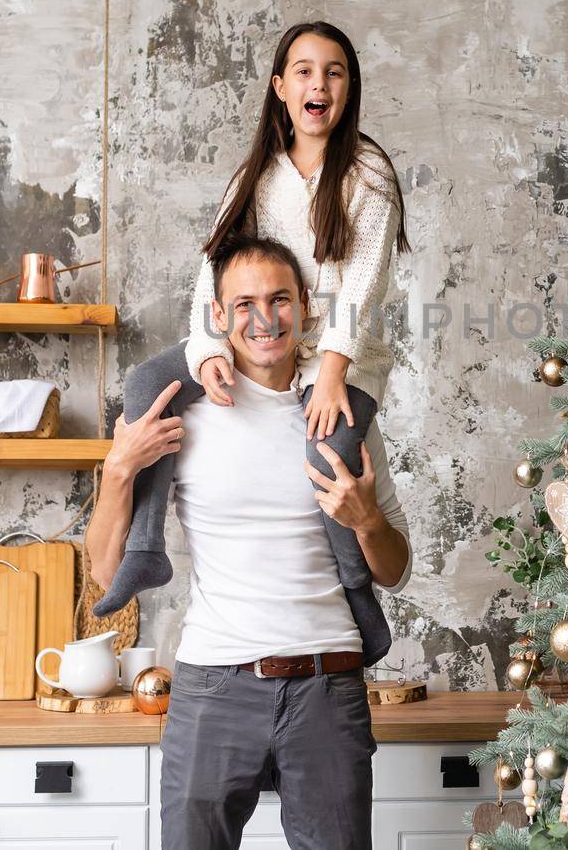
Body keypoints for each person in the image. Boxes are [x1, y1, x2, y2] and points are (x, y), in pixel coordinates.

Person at [87, 234, 411, 849]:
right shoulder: (174, 415)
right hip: (213, 685)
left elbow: (396, 571)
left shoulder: (346, 422)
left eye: (280, 299)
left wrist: (366, 521)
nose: (264, 319)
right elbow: (105, 571)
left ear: (306, 307)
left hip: (327, 682)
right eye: (243, 304)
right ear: (216, 317)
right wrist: (118, 468)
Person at [93, 19, 409, 619]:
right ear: (281, 89)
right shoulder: (256, 177)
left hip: (343, 355)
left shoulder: (369, 175)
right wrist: (208, 352)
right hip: (261, 340)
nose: (320, 83)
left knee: (325, 459)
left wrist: (335, 370)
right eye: (305, 71)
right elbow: (211, 272)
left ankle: (358, 597)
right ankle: (143, 547)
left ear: (349, 88)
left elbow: (364, 285)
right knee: (144, 388)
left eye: (334, 72)